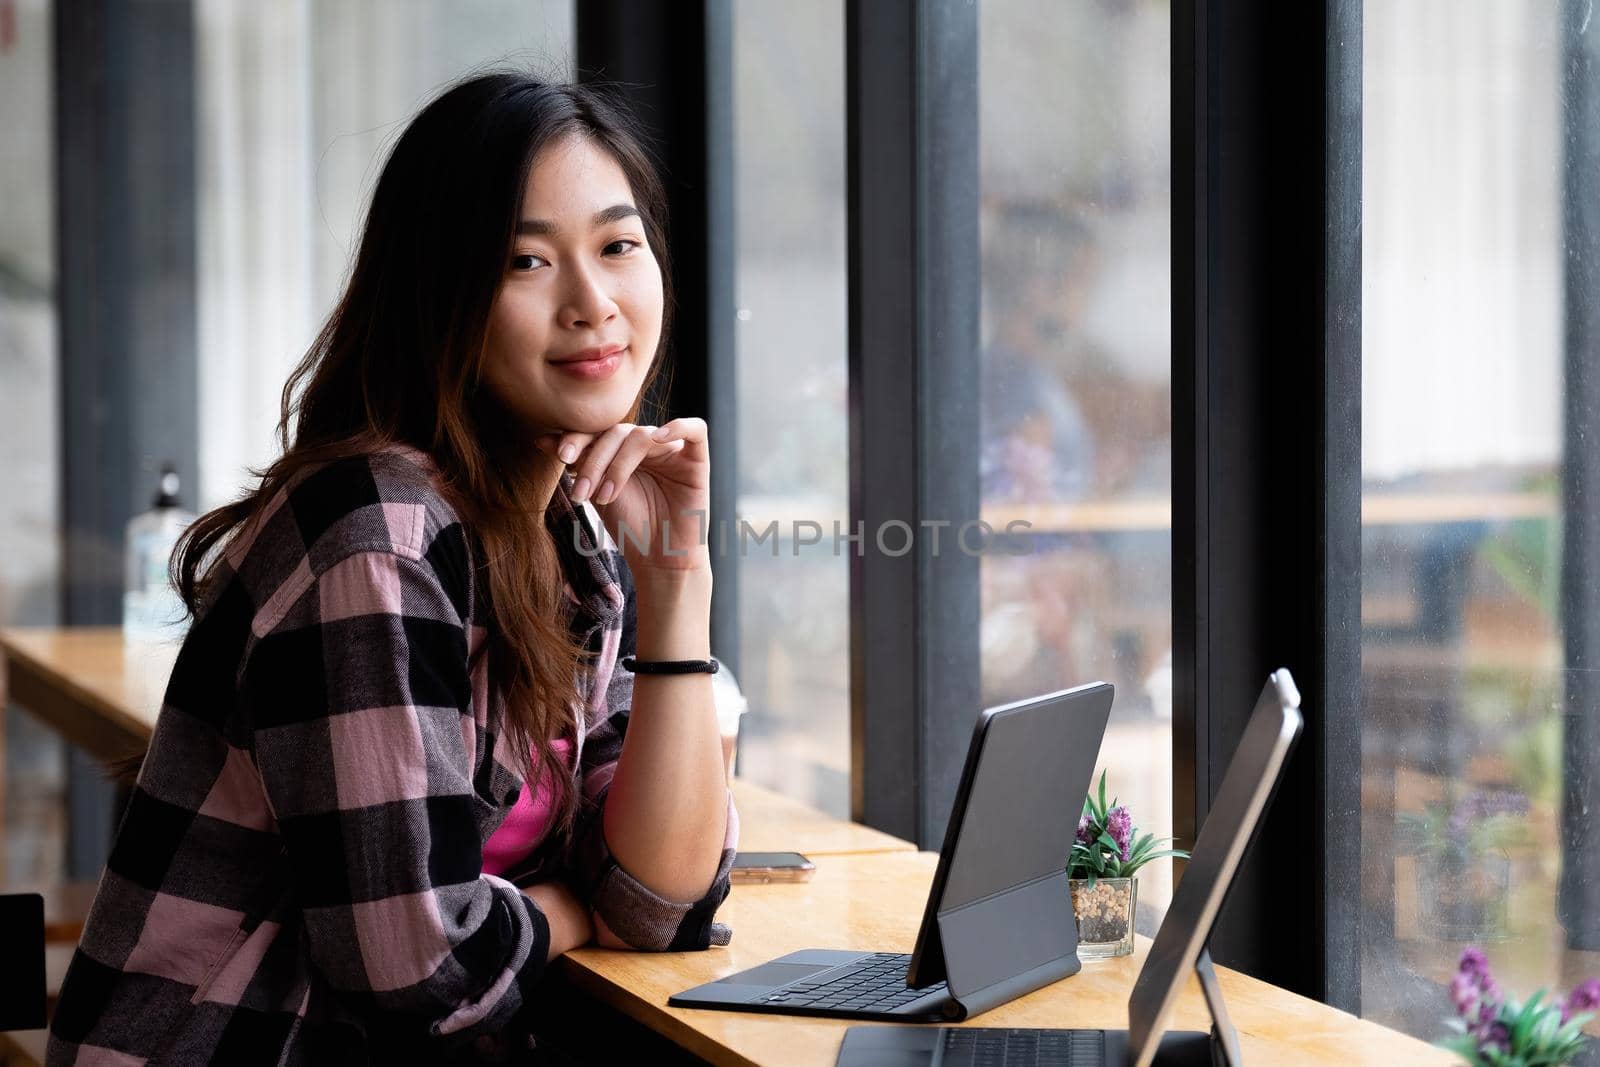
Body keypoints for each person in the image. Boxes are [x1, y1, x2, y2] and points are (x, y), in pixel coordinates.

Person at [47, 72, 737, 1065]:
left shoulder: (570, 536)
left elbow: (664, 899)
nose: (593, 303)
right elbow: (420, 970)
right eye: (526, 260)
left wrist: (677, 588)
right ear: (439, 293)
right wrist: (575, 906)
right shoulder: (378, 535)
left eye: (618, 246)